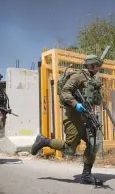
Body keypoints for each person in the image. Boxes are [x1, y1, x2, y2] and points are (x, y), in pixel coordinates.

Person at [31, 54, 105, 186]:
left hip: (87, 116)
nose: (99, 68)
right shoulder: (78, 76)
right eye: (97, 66)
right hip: (73, 116)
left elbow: (97, 99)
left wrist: (99, 90)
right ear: (92, 65)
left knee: (94, 143)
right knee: (70, 150)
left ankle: (86, 175)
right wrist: (76, 104)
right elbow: (65, 92)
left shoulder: (93, 79)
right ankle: (44, 141)